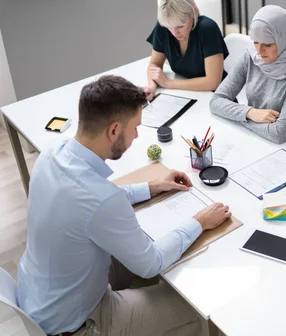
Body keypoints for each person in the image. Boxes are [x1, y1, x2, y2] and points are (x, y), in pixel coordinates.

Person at [17, 75, 231, 335]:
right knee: (197, 302)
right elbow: (151, 262)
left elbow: (89, 202)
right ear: (114, 130)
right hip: (80, 326)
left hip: (39, 299)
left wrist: (150, 188)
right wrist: (200, 221)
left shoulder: (53, 153)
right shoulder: (101, 200)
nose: (137, 135)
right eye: (135, 128)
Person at [209, 5, 286, 144]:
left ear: (283, 39)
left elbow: (279, 133)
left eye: (268, 44)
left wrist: (239, 118)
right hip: (257, 138)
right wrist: (250, 113)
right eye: (256, 42)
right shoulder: (251, 58)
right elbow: (216, 101)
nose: (259, 50)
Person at [145, 0, 229, 100]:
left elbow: (213, 82)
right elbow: (154, 64)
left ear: (193, 12)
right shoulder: (163, 27)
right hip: (188, 94)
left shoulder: (207, 29)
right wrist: (152, 85)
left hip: (217, 96)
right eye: (170, 27)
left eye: (180, 26)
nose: (175, 33)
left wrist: (169, 83)